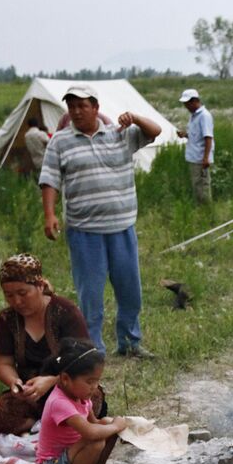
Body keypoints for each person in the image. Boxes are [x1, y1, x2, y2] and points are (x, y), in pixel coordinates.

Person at [40, 86, 161, 358]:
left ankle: (130, 342)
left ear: (95, 107)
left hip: (122, 227)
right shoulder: (60, 141)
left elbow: (155, 132)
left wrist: (136, 118)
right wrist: (49, 214)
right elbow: (49, 179)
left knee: (130, 291)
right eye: (71, 106)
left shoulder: (119, 134)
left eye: (82, 106)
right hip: (85, 232)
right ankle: (91, 349)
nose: (76, 111)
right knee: (90, 296)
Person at [0, 254, 103, 435]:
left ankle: (52, 424)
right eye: (9, 295)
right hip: (30, 393)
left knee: (91, 397)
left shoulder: (66, 312)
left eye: (22, 293)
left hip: (67, 387)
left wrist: (51, 380)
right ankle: (44, 426)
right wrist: (15, 383)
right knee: (0, 412)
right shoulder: (6, 319)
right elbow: (4, 363)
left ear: (40, 286)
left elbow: (85, 361)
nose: (16, 302)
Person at [35, 338, 127, 464]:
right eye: (90, 381)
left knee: (106, 426)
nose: (94, 387)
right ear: (66, 379)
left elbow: (95, 423)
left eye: (97, 381)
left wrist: (112, 425)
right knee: (96, 439)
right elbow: (90, 433)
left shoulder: (82, 397)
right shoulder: (59, 402)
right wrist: (116, 425)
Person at [175, 89, 214, 203]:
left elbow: (208, 137)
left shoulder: (204, 116)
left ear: (195, 101)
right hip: (194, 157)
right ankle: (201, 209)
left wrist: (206, 158)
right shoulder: (194, 116)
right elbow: (197, 136)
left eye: (187, 103)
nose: (186, 106)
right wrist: (185, 135)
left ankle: (206, 211)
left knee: (203, 186)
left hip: (200, 159)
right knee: (197, 186)